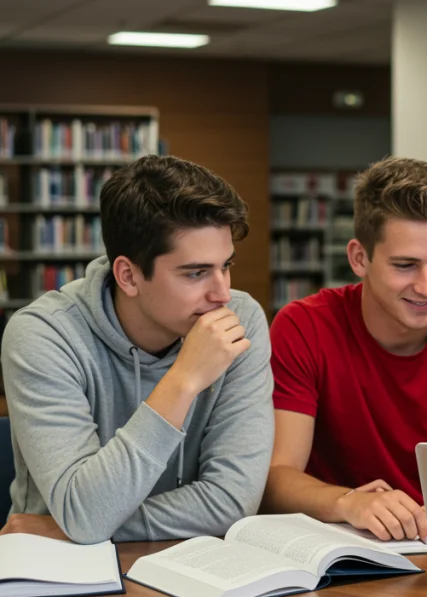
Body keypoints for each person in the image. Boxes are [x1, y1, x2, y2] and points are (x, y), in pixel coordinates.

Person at [0, 155, 273, 544]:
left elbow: (232, 502)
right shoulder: (43, 335)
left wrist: (77, 526)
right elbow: (87, 514)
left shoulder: (240, 318)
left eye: (225, 266)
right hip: (61, 573)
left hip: (188, 564)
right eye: (195, 273)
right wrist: (184, 380)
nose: (222, 293)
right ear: (128, 275)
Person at [262, 157, 427, 543]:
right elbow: (277, 478)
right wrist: (349, 503)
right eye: (405, 265)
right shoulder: (303, 326)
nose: (426, 286)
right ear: (359, 258)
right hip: (338, 544)